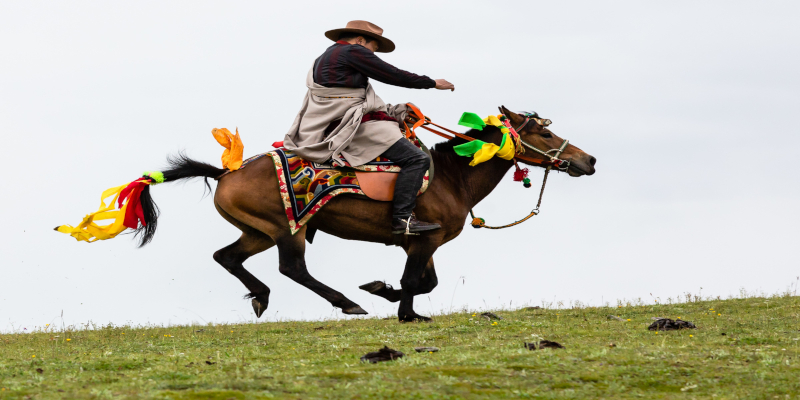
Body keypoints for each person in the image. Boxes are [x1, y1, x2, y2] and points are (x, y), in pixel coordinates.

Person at [283, 20, 455, 235]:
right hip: (352, 126)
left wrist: (392, 111)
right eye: (374, 48)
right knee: (417, 159)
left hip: (333, 122)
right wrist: (431, 82)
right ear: (361, 40)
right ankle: (403, 219)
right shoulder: (352, 51)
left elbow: (350, 98)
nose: (374, 54)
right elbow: (393, 74)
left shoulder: (324, 57)